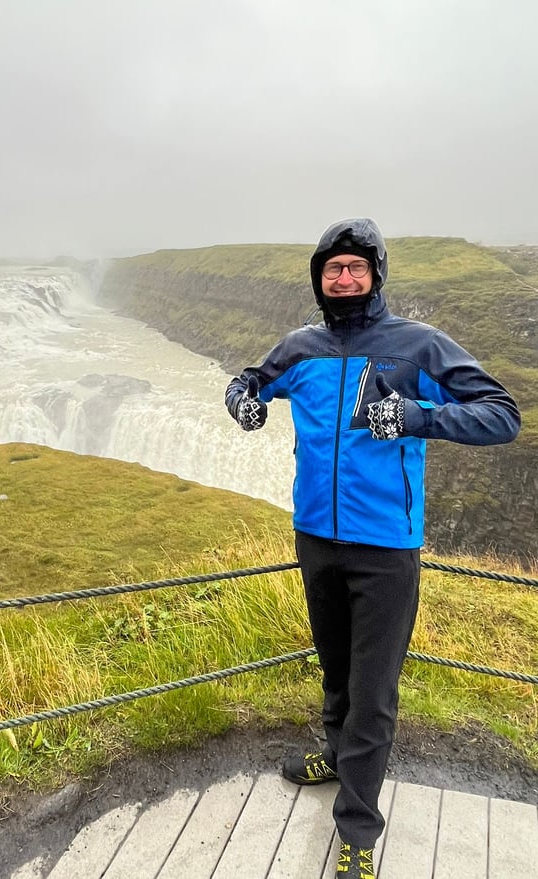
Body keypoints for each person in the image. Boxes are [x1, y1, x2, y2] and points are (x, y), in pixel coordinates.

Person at [224, 218, 521, 878]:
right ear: (319, 278)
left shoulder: (418, 345)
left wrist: (418, 416)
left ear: (376, 274)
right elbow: (248, 381)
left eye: (356, 267)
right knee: (335, 668)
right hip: (315, 537)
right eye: (333, 268)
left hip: (385, 546)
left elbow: (502, 414)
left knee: (374, 691)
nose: (344, 278)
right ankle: (336, 756)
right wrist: (242, 401)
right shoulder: (300, 347)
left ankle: (357, 827)